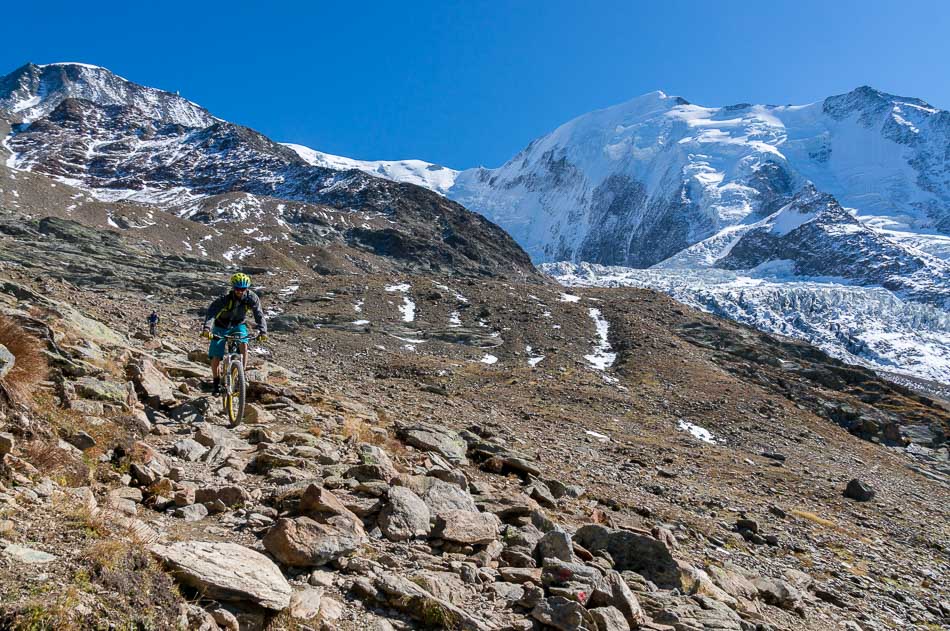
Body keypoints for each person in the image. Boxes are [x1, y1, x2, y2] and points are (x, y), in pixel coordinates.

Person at [200, 273, 268, 395]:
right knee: (216, 355)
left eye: (243, 289)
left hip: (238, 325)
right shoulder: (224, 299)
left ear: (247, 288)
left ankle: (241, 373)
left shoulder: (252, 298)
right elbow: (211, 313)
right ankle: (216, 384)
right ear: (233, 288)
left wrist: (263, 331)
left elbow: (259, 314)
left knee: (244, 344)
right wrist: (207, 329)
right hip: (221, 326)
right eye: (237, 289)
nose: (240, 292)